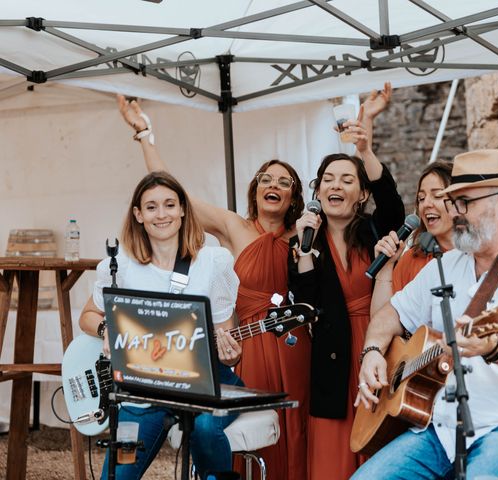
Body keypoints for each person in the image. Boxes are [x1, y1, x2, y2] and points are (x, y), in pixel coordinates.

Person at [117, 85, 392, 480]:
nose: (273, 185)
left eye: (284, 181)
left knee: (294, 433)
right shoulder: (234, 227)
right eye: (266, 178)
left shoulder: (305, 238)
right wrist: (145, 135)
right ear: (256, 188)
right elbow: (176, 195)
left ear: (295, 195)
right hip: (241, 343)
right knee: (235, 433)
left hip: (293, 344)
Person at [353, 149, 498, 480]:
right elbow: (388, 315)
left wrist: (497, 349)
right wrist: (373, 352)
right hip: (445, 432)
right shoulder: (446, 265)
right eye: (454, 203)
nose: (456, 213)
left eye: (465, 202)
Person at [79, 171, 243, 480]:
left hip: (205, 382)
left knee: (206, 428)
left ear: (183, 210)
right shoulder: (121, 264)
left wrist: (230, 351)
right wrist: (107, 330)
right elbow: (88, 315)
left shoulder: (213, 262)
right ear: (138, 215)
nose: (162, 214)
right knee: (118, 475)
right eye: (151, 207)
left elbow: (230, 346)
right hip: (141, 387)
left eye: (170, 204)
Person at [288, 132, 405, 477]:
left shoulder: (374, 231)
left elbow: (392, 203)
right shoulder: (303, 241)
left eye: (346, 179)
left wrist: (365, 150)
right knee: (332, 454)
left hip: (377, 346)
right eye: (327, 180)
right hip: (330, 356)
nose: (334, 186)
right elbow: (305, 305)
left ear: (362, 193)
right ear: (317, 191)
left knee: (378, 443)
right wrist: (305, 253)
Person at [369, 160, 454, 315]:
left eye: (437, 195)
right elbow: (380, 322)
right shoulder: (412, 259)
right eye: (421, 198)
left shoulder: (477, 256)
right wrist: (386, 268)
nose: (426, 204)